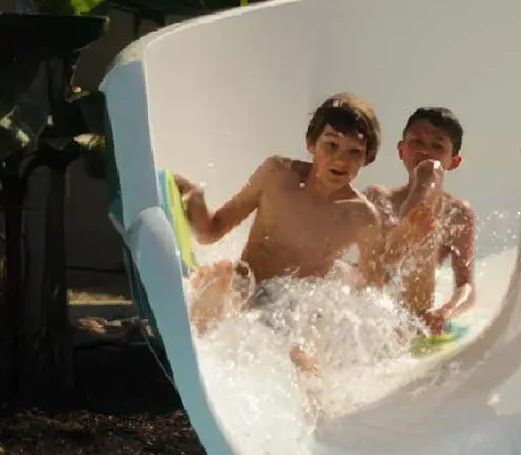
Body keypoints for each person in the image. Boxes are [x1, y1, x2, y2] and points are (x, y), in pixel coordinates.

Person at [172, 94, 393, 341]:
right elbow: (211, 231)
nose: (341, 160)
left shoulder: (362, 217)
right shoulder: (276, 176)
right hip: (246, 289)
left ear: (367, 158)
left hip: (293, 310)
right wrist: (192, 195)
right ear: (311, 144)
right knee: (221, 275)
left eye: (355, 152)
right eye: (331, 145)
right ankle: (192, 348)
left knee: (306, 352)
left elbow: (373, 295)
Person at [367, 106, 477, 337]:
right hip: (374, 313)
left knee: (429, 172)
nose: (425, 150)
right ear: (401, 150)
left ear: (454, 161)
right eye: (416, 142)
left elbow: (466, 284)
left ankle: (409, 228)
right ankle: (404, 236)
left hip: (415, 320)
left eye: (437, 146)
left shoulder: (458, 213)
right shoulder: (378, 198)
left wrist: (445, 313)